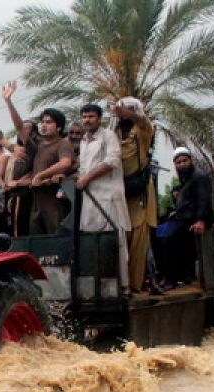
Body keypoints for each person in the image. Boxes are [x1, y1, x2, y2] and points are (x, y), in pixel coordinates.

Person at [74, 103, 130, 290]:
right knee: (92, 239)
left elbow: (112, 160)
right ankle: (99, 286)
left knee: (114, 240)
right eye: (84, 117)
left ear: (99, 118)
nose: (87, 120)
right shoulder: (84, 141)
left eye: (91, 116)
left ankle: (122, 286)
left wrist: (88, 177)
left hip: (108, 196)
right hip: (90, 197)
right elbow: (83, 168)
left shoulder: (108, 136)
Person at [115, 96, 157, 294]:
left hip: (139, 190)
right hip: (118, 189)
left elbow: (144, 123)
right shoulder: (114, 131)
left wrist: (134, 114)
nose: (123, 113)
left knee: (139, 240)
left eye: (128, 110)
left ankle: (136, 284)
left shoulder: (142, 130)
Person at [161, 148, 214, 286]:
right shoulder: (186, 178)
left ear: (191, 160)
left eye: (184, 161)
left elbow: (204, 199)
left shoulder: (199, 176)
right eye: (178, 162)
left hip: (194, 222)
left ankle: (172, 279)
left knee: (170, 242)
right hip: (185, 220)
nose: (182, 164)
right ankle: (184, 276)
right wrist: (177, 211)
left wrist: (201, 220)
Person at [28, 109, 76, 235]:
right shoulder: (39, 145)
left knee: (56, 243)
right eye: (42, 122)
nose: (44, 125)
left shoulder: (63, 144)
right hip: (37, 204)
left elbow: (65, 163)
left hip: (54, 204)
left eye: (48, 122)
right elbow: (18, 128)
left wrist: (41, 175)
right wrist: (9, 102)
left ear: (59, 127)